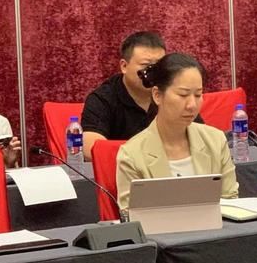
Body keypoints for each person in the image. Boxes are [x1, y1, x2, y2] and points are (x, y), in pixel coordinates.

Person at [116, 53, 238, 209]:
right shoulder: (132, 154)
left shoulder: (215, 140)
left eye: (198, 95)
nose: (192, 105)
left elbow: (231, 201)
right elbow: (130, 216)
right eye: (183, 95)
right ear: (157, 95)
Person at [81, 31, 204, 160]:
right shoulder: (103, 98)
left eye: (159, 66)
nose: (153, 72)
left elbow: (201, 138)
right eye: (146, 65)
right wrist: (147, 157)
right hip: (121, 168)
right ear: (124, 66)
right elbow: (91, 148)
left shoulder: (171, 93)